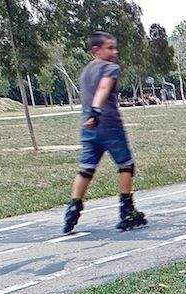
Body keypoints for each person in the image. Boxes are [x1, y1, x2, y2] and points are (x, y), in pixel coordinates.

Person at [63, 31, 147, 234]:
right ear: (96, 49)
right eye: (109, 48)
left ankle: (73, 210)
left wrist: (90, 115)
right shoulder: (110, 68)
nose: (114, 52)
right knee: (126, 165)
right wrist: (96, 111)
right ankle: (126, 210)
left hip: (88, 129)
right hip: (109, 125)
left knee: (86, 169)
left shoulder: (85, 72)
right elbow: (103, 88)